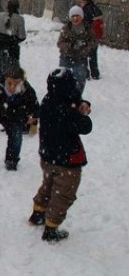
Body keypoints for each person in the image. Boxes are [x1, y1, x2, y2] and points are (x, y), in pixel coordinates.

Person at [29, 68, 92, 242]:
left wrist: (80, 103)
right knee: (64, 193)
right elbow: (86, 126)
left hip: (48, 155)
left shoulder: (49, 100)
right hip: (67, 160)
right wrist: (82, 113)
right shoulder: (67, 111)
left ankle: (38, 212)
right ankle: (51, 227)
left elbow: (70, 101)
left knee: (48, 185)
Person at [0, 67, 38, 170]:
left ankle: (12, 161)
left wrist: (32, 122)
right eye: (9, 83)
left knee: (16, 136)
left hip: (14, 116)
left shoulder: (27, 91)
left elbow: (35, 109)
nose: (12, 87)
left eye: (17, 84)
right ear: (5, 79)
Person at [57, 6, 96, 93]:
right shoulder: (66, 28)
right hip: (66, 57)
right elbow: (60, 43)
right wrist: (71, 45)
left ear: (81, 16)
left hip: (81, 58)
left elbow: (93, 42)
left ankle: (77, 98)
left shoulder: (87, 29)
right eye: (73, 16)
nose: (75, 18)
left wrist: (85, 46)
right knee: (62, 78)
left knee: (80, 79)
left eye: (77, 15)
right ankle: (62, 98)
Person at [0, 0, 26, 80]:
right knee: (12, 76)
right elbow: (22, 36)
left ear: (7, 7)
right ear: (17, 7)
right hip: (11, 50)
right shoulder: (19, 19)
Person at [78, 0, 104, 80]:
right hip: (95, 37)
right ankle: (95, 74)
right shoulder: (96, 8)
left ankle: (85, 74)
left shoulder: (86, 9)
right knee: (93, 56)